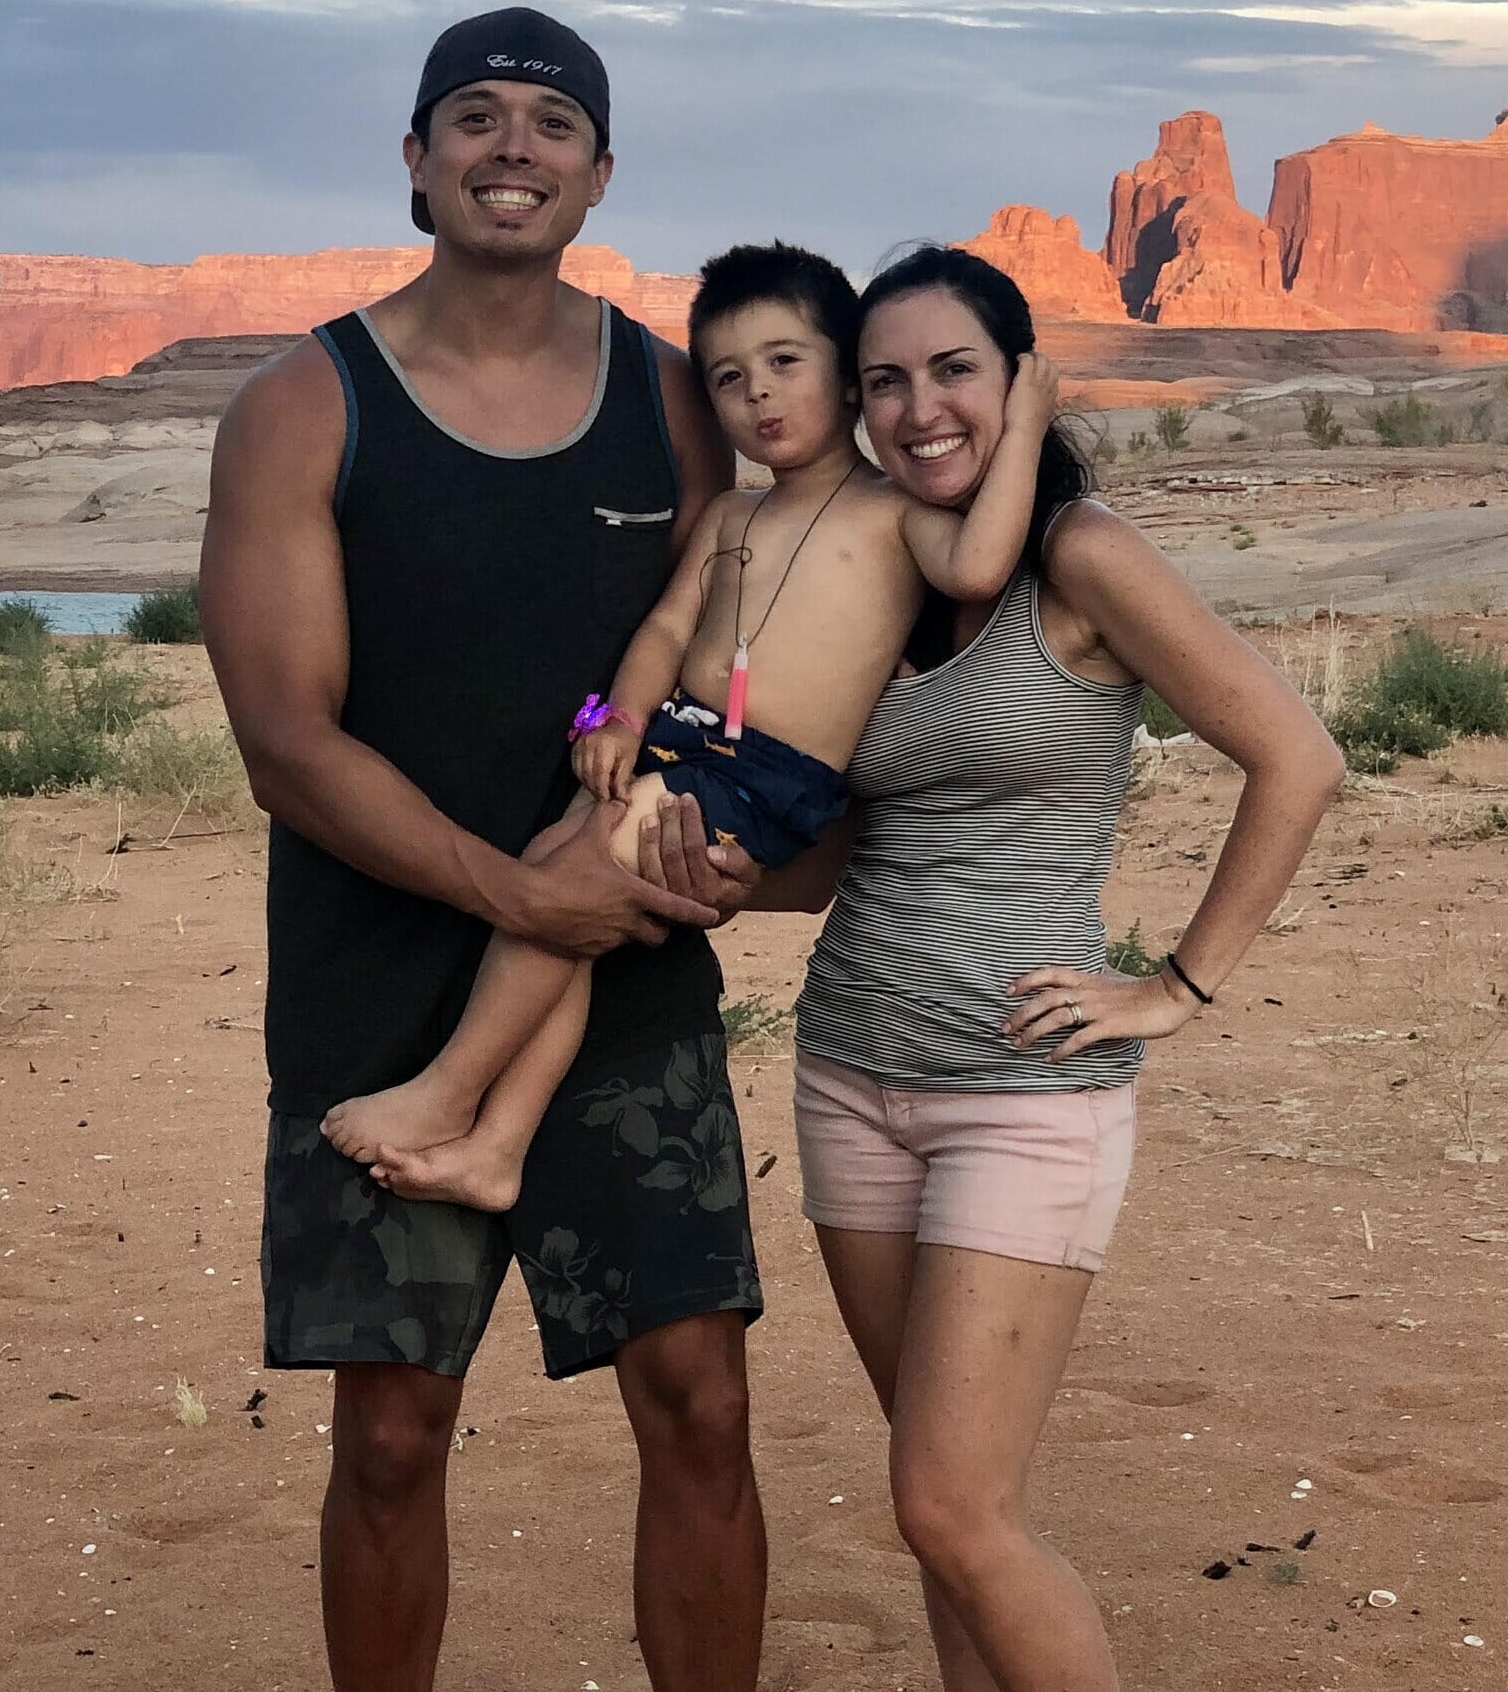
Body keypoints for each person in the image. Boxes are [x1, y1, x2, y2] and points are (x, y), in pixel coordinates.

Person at [199, 6, 815, 1692]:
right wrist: (504, 884)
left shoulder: (672, 408)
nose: (512, 146)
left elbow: (758, 662)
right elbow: (286, 738)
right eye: (476, 117)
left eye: (553, 122)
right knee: (390, 1435)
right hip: (376, 986)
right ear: (412, 159)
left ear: (601, 180)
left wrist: (742, 855)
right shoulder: (305, 410)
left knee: (701, 1407)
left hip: (624, 993)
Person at [769, 244, 1345, 1692]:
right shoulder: (866, 581)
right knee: (942, 1497)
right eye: (884, 381)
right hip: (852, 1071)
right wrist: (687, 847)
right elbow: (839, 852)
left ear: (1023, 380)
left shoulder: (1083, 565)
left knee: (954, 1503)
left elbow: (1296, 754)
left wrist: (1178, 980)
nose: (919, 408)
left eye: (955, 370)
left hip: (1026, 1099)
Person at [317, 239, 1059, 1212]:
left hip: (767, 772)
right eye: (729, 377)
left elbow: (976, 568)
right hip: (681, 742)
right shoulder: (729, 519)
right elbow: (665, 627)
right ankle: (499, 1146)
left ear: (847, 373)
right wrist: (614, 715)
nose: (758, 394)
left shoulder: (891, 511)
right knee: (559, 881)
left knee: (572, 878)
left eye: (786, 362)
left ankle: (443, 1096)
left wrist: (1029, 420)